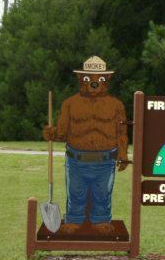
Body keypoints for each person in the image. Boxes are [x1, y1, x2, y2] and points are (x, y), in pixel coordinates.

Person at [42, 56, 129, 234]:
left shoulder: (116, 106)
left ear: (107, 80)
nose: (94, 83)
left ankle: (101, 219)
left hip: (105, 161)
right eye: (89, 78)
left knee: (103, 194)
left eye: (100, 79)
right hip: (76, 161)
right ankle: (74, 219)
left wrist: (123, 154)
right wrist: (52, 133)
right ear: (81, 79)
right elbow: (62, 133)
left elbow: (122, 133)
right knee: (75, 192)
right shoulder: (70, 104)